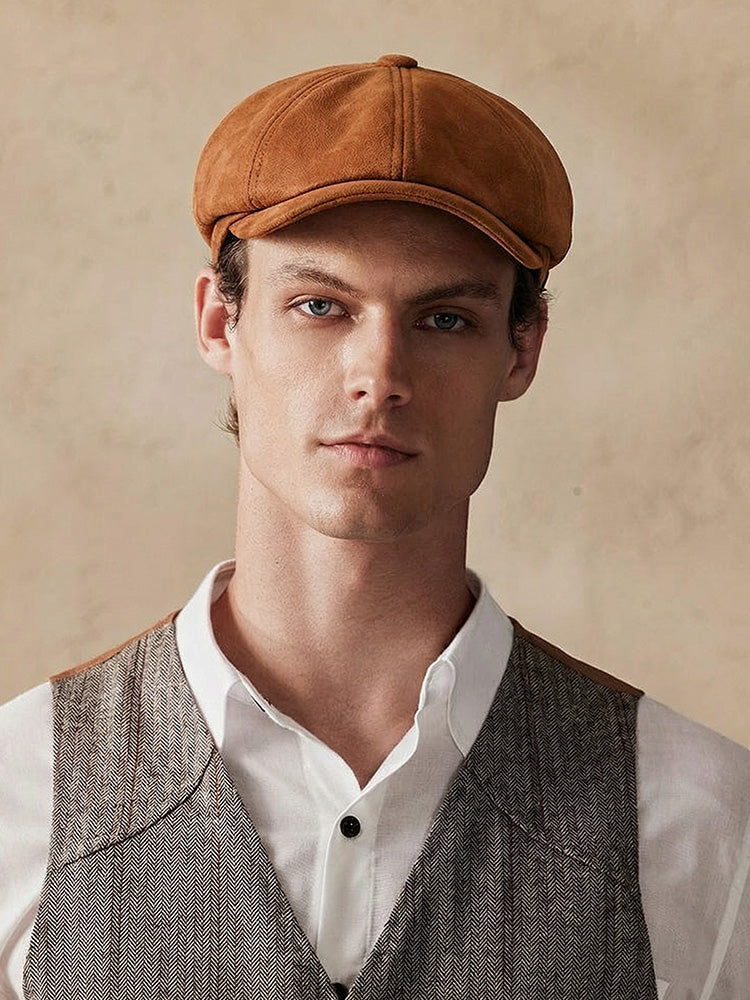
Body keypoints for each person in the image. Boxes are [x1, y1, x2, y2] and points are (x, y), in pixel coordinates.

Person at [0, 54, 748, 1000]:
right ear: (221, 324)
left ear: (522, 350)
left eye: (444, 319)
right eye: (320, 306)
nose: (379, 375)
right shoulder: (21, 794)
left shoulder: (696, 821)